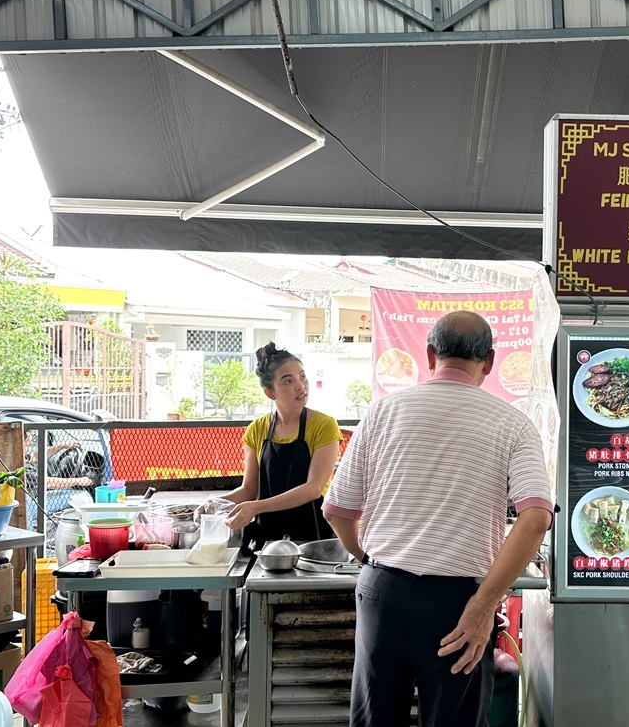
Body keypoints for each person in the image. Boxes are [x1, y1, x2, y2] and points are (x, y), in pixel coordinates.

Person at [322, 311, 553, 727]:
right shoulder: (513, 423)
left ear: (430, 355)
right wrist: (484, 604)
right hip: (460, 604)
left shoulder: (382, 412)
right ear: (489, 361)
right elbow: (536, 518)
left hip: (384, 594)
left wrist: (368, 559)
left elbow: (336, 511)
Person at [202, 343, 342, 548]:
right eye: (288, 381)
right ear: (270, 392)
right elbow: (249, 490)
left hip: (314, 538)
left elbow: (313, 488)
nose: (300, 386)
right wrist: (215, 503)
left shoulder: (324, 425)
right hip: (268, 539)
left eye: (302, 377)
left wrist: (256, 507)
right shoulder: (257, 429)